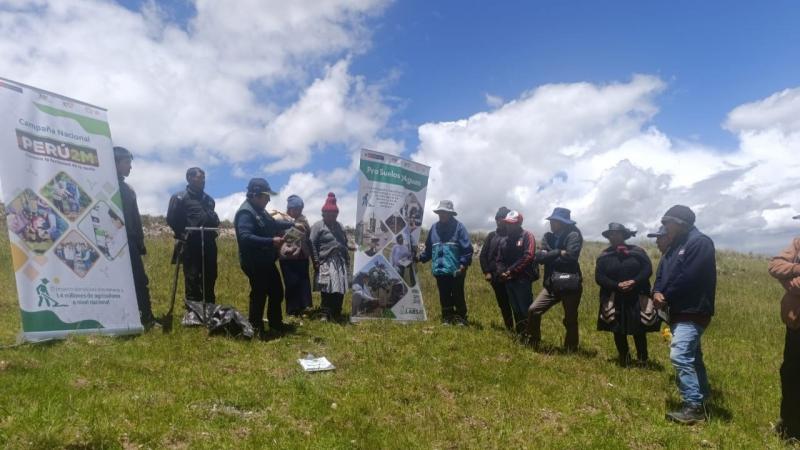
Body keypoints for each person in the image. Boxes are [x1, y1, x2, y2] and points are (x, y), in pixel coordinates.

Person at [652, 205, 716, 425]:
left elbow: (690, 277)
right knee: (693, 357)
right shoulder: (675, 246)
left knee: (679, 356)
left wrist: (665, 295)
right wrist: (656, 292)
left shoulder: (700, 243)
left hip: (694, 309)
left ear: (680, 223)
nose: (665, 227)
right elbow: (661, 275)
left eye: (667, 222)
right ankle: (702, 398)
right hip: (678, 310)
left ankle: (693, 407)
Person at [234, 178, 293, 339]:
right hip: (254, 261)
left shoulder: (260, 210)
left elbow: (272, 224)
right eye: (266, 196)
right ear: (255, 195)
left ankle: (275, 324)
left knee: (276, 291)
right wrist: (271, 241)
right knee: (259, 293)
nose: (268, 199)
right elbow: (245, 237)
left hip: (266, 260)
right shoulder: (246, 212)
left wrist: (292, 225)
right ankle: (256, 327)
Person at [595, 223, 658, 366]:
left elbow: (647, 270)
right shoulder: (604, 255)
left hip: (636, 296)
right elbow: (599, 277)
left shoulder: (638, 251)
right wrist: (616, 285)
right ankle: (624, 357)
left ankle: (643, 359)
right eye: (611, 234)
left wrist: (634, 281)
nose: (613, 236)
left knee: (639, 329)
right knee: (617, 329)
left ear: (623, 235)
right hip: (614, 297)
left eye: (616, 233)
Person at [527, 207, 583, 350]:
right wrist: (558, 252)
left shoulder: (574, 235)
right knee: (534, 310)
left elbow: (571, 258)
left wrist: (549, 256)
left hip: (570, 284)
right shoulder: (548, 236)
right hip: (551, 284)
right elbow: (539, 257)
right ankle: (534, 341)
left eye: (555, 221)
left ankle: (571, 349)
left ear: (563, 223)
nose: (552, 223)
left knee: (570, 318)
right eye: (551, 220)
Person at [114, 146, 158, 329]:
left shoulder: (128, 189)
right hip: (111, 242)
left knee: (140, 280)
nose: (130, 167)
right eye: (127, 163)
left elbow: (135, 218)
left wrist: (139, 242)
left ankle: (146, 318)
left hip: (130, 243)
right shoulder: (105, 186)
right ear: (115, 163)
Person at [166, 167, 220, 308]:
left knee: (210, 274)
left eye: (203, 178)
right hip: (190, 243)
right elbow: (171, 219)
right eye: (199, 177)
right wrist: (183, 234)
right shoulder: (179, 197)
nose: (202, 180)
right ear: (189, 178)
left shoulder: (209, 200)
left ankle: (209, 306)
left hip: (208, 242)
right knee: (192, 275)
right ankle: (193, 309)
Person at [767, 214, 800, 440]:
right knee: (790, 373)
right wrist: (796, 272)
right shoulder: (798, 243)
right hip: (796, 323)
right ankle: (789, 426)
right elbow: (775, 265)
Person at [417, 200, 474, 325]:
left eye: (444, 212)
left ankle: (461, 318)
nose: (442, 215)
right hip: (440, 269)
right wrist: (420, 258)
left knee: (458, 293)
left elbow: (467, 249)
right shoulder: (434, 228)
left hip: (456, 269)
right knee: (444, 294)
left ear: (451, 214)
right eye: (440, 212)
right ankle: (447, 317)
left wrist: (463, 264)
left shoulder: (459, 227)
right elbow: (429, 249)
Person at [310, 192, 351, 322]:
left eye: (334, 214)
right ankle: (325, 313)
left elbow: (345, 241)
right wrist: (316, 261)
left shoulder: (340, 226)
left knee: (340, 288)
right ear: (324, 214)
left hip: (340, 261)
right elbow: (311, 243)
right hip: (326, 260)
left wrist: (349, 249)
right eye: (329, 214)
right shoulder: (318, 226)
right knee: (327, 287)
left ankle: (337, 312)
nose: (332, 217)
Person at [496, 210, 538, 334]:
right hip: (508, 280)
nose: (509, 226)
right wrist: (501, 272)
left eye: (512, 223)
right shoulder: (504, 240)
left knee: (525, 309)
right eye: (507, 223)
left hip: (522, 280)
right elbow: (499, 259)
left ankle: (532, 337)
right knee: (516, 309)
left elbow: (528, 256)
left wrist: (510, 271)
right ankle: (521, 336)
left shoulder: (527, 236)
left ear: (519, 223)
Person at [274, 195, 313, 316]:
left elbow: (309, 237)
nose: (298, 211)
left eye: (300, 208)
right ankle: (292, 310)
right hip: (288, 257)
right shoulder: (281, 221)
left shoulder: (304, 221)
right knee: (291, 283)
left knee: (304, 282)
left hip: (302, 256)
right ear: (289, 209)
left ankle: (305, 307)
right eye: (296, 208)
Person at [479, 207, 513, 330]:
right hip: (495, 276)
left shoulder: (513, 236)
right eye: (497, 219)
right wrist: (487, 272)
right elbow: (483, 255)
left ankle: (522, 328)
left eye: (502, 219)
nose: (499, 221)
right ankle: (510, 328)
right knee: (503, 303)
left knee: (514, 302)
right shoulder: (491, 236)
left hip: (511, 275)